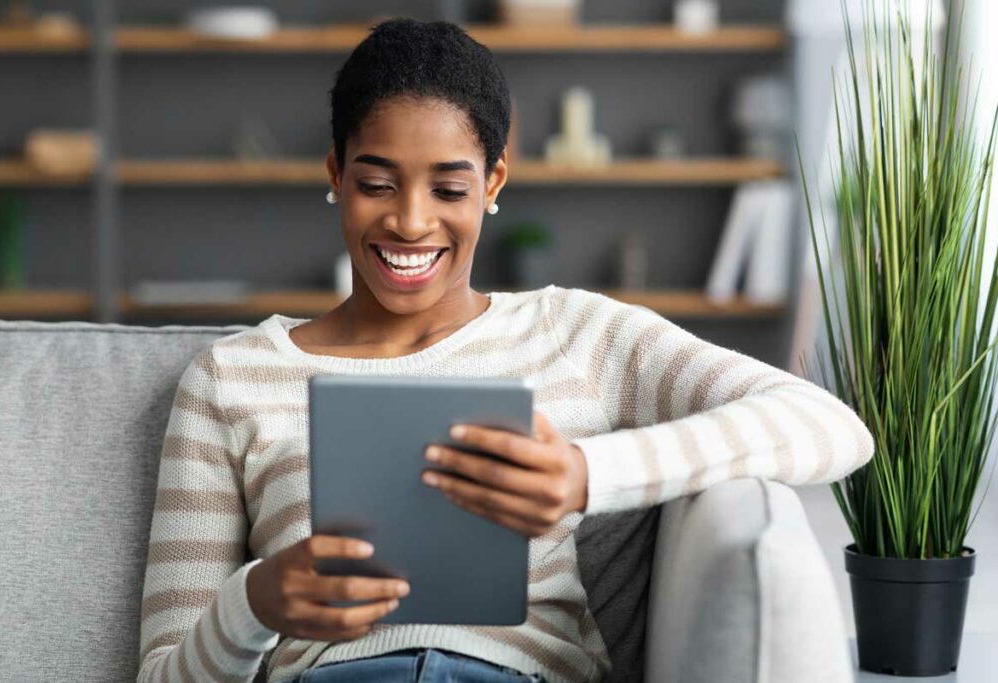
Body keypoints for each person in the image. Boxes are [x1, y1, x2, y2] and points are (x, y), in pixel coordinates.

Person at [136, 17, 875, 683]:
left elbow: (829, 425)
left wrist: (587, 474)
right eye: (376, 183)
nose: (411, 221)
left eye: (449, 190)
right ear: (336, 175)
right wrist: (256, 602)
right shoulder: (231, 378)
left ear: (493, 183)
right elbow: (163, 675)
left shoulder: (574, 334)